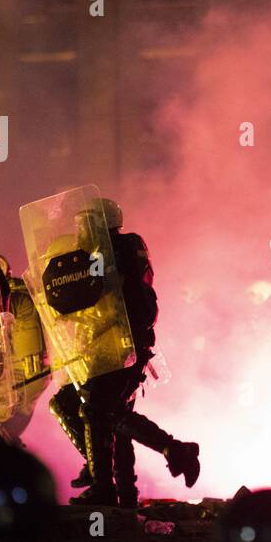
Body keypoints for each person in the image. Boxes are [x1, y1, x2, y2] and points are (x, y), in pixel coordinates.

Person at [57, 198, 199, 508]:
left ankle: (108, 486)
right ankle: (125, 491)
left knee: (99, 411)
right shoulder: (120, 250)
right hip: (114, 346)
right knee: (111, 415)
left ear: (98, 224)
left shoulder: (113, 253)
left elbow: (109, 297)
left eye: (83, 224)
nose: (78, 231)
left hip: (121, 347)